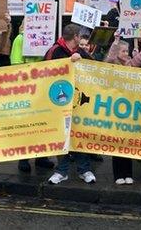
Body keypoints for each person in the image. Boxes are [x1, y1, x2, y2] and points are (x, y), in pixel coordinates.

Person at [46, 24, 97, 185]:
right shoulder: (55, 51)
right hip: (59, 102)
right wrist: (69, 62)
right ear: (75, 36)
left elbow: (94, 67)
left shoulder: (80, 52)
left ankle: (84, 170)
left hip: (79, 102)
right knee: (62, 136)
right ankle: (62, 171)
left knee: (79, 134)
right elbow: (45, 72)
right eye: (79, 36)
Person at [104, 35, 141, 185]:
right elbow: (110, 58)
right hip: (115, 109)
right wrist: (116, 41)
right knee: (116, 142)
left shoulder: (130, 64)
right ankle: (118, 174)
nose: (127, 53)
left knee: (127, 143)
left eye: (127, 51)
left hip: (129, 109)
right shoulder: (111, 65)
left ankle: (128, 174)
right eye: (124, 51)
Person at [10, 19, 55, 174]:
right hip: (25, 89)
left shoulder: (44, 39)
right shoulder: (20, 39)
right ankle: (23, 158)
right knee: (27, 126)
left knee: (41, 124)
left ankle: (41, 156)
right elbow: (16, 65)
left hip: (40, 88)